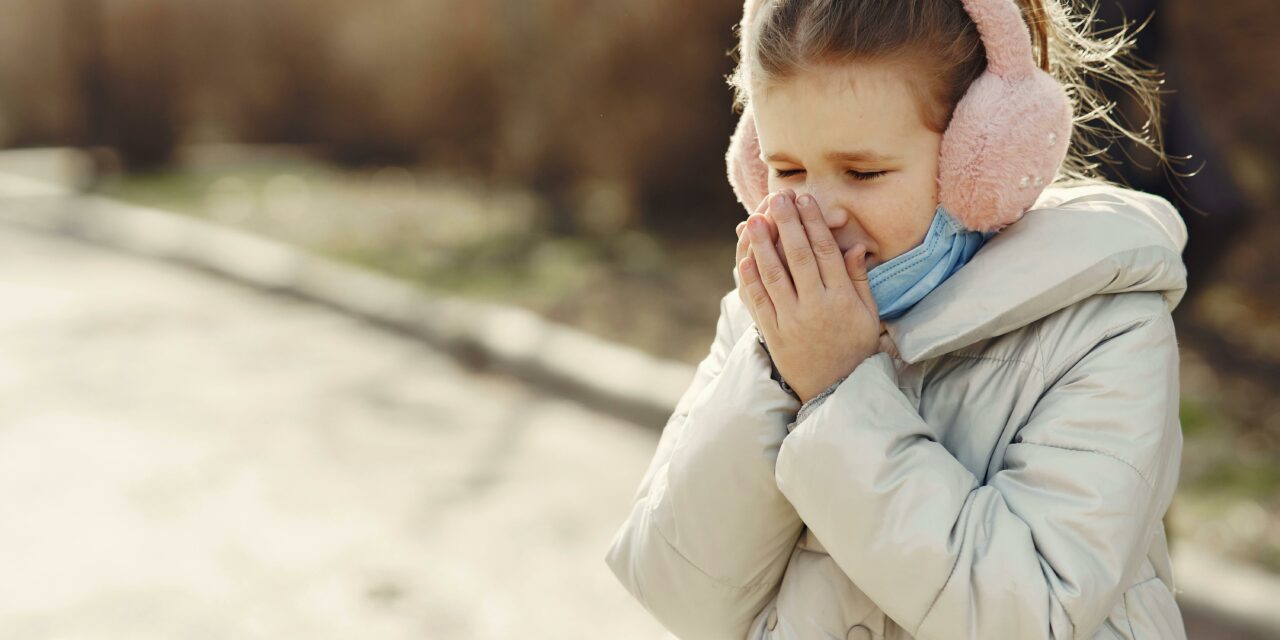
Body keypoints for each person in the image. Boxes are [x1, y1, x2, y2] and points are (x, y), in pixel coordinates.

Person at [604, 0, 1190, 639]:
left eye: (862, 172)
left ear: (979, 159)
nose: (820, 212)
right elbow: (675, 586)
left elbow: (1033, 616)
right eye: (788, 169)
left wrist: (837, 387)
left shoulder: (1105, 329)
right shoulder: (759, 324)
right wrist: (777, 372)